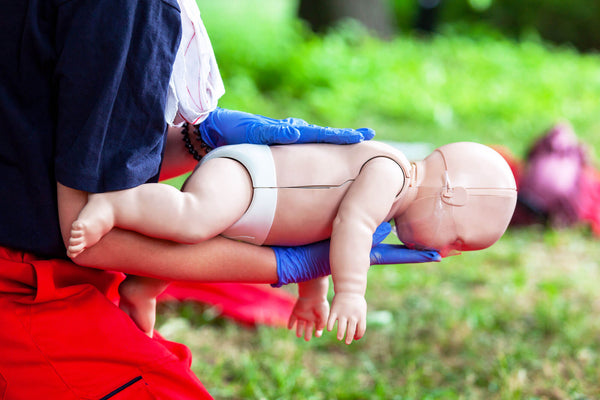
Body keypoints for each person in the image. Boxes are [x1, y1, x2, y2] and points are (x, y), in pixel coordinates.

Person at [0, 0, 424, 398]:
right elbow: (90, 235)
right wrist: (286, 264)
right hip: (23, 281)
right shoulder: (126, 9)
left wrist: (200, 137)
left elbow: (75, 159)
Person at [66, 140, 517, 344]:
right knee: (192, 220)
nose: (447, 253)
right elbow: (350, 224)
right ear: (450, 196)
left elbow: (320, 242)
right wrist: (352, 293)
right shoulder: (392, 171)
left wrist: (311, 294)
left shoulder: (389, 212)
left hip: (258, 217)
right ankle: (115, 206)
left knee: (188, 246)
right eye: (458, 241)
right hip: (248, 180)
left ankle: (141, 288)